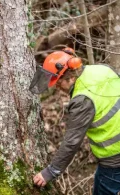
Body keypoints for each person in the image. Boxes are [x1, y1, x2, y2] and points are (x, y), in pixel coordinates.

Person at [30, 47, 120, 195]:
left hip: (115, 157)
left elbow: (72, 142)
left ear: (70, 77)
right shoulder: (101, 69)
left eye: (58, 83)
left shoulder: (82, 99)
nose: (57, 87)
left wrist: (50, 172)